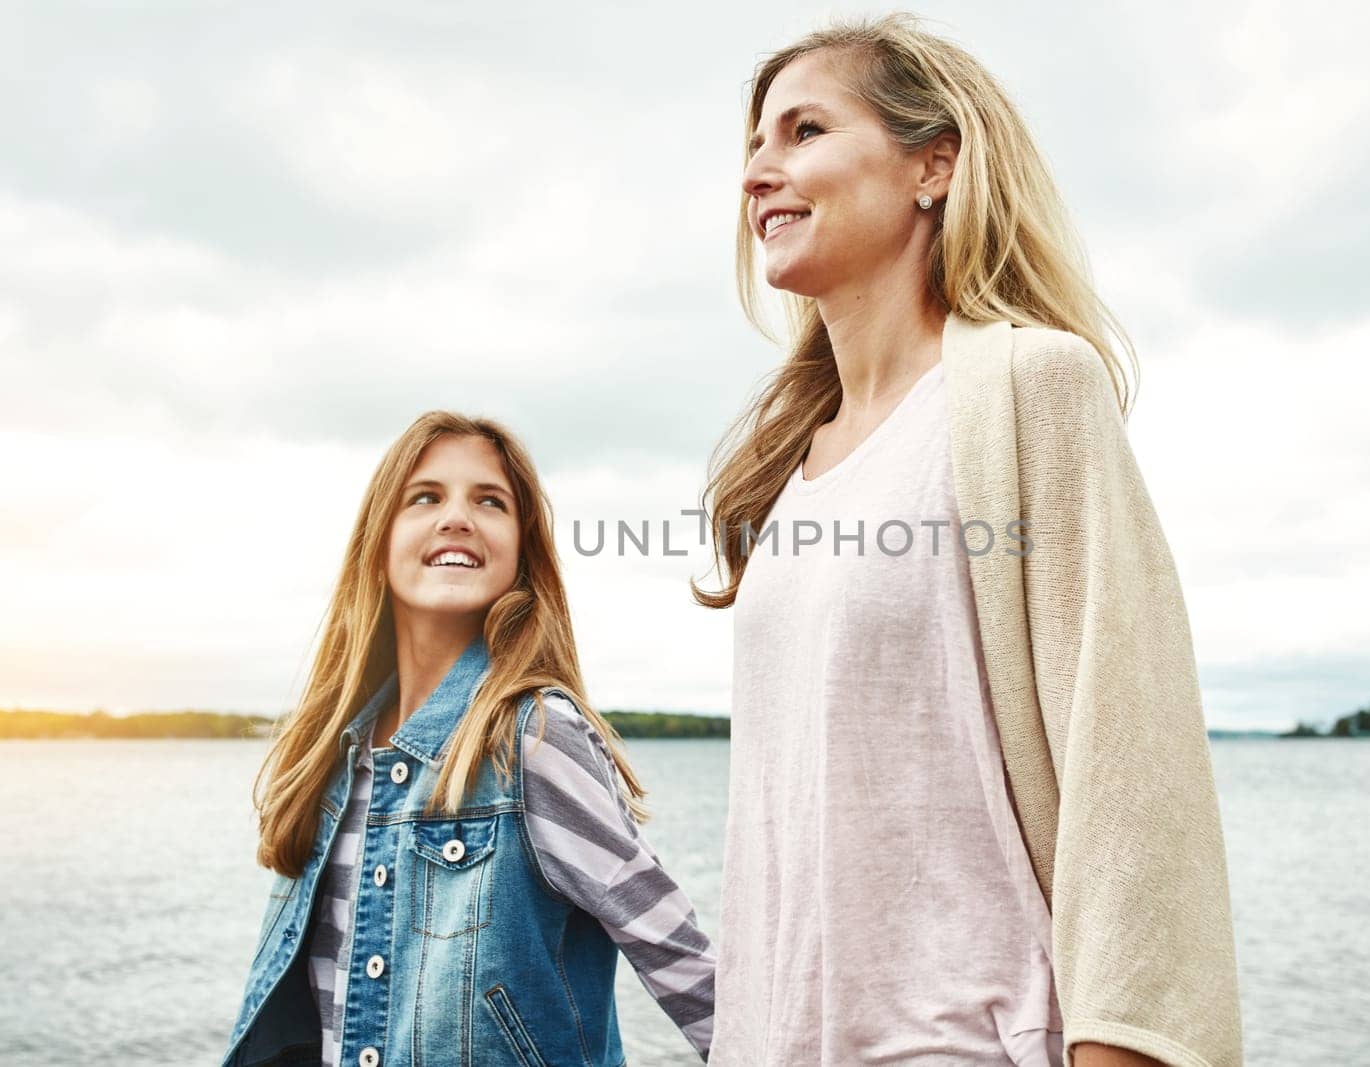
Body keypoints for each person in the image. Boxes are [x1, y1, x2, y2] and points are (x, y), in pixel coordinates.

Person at [694, 14, 1242, 1067]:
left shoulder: (1031, 388)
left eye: (803, 130)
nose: (759, 173)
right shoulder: (787, 469)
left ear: (932, 166)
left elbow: (1130, 759)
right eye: (753, 148)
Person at [224, 411, 714, 1066]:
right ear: (378, 543)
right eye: (425, 496)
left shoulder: (535, 737)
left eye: (490, 501)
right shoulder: (331, 759)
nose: (457, 517)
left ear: (521, 554)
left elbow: (690, 968)